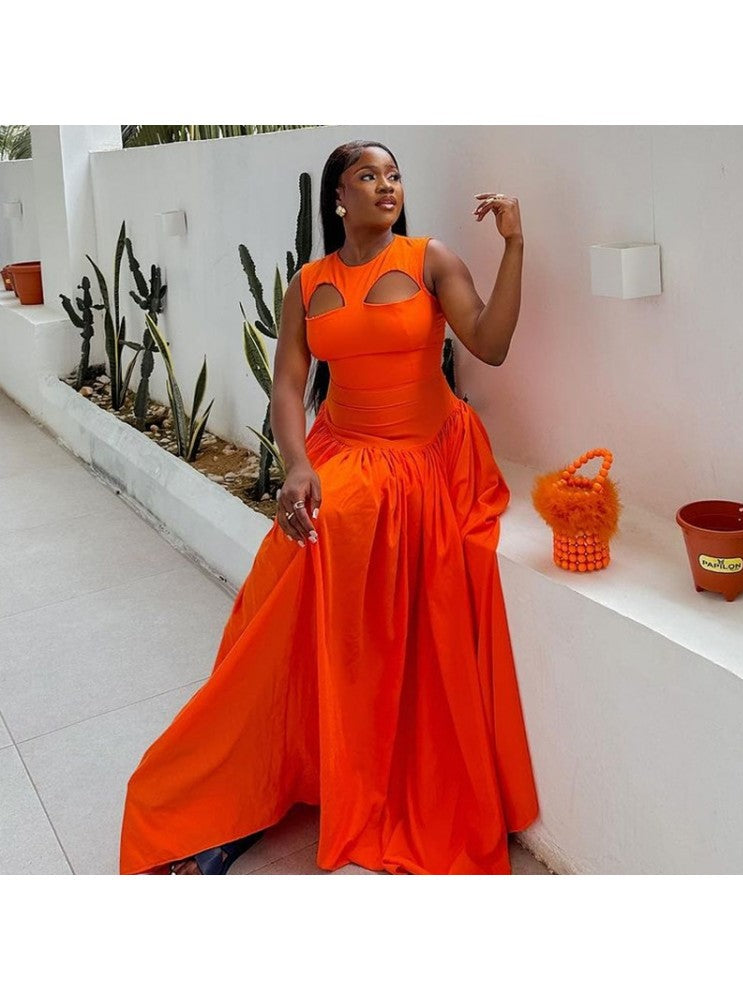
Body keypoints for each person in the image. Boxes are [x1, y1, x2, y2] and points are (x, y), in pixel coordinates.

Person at [119, 138, 539, 876]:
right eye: (367, 176)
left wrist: (515, 246)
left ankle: (294, 769)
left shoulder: (430, 259)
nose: (386, 185)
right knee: (286, 565)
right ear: (338, 198)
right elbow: (288, 384)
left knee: (332, 540)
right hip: (341, 445)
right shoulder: (307, 283)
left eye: (394, 175)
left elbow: (491, 344)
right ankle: (245, 781)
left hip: (427, 451)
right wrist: (296, 464)